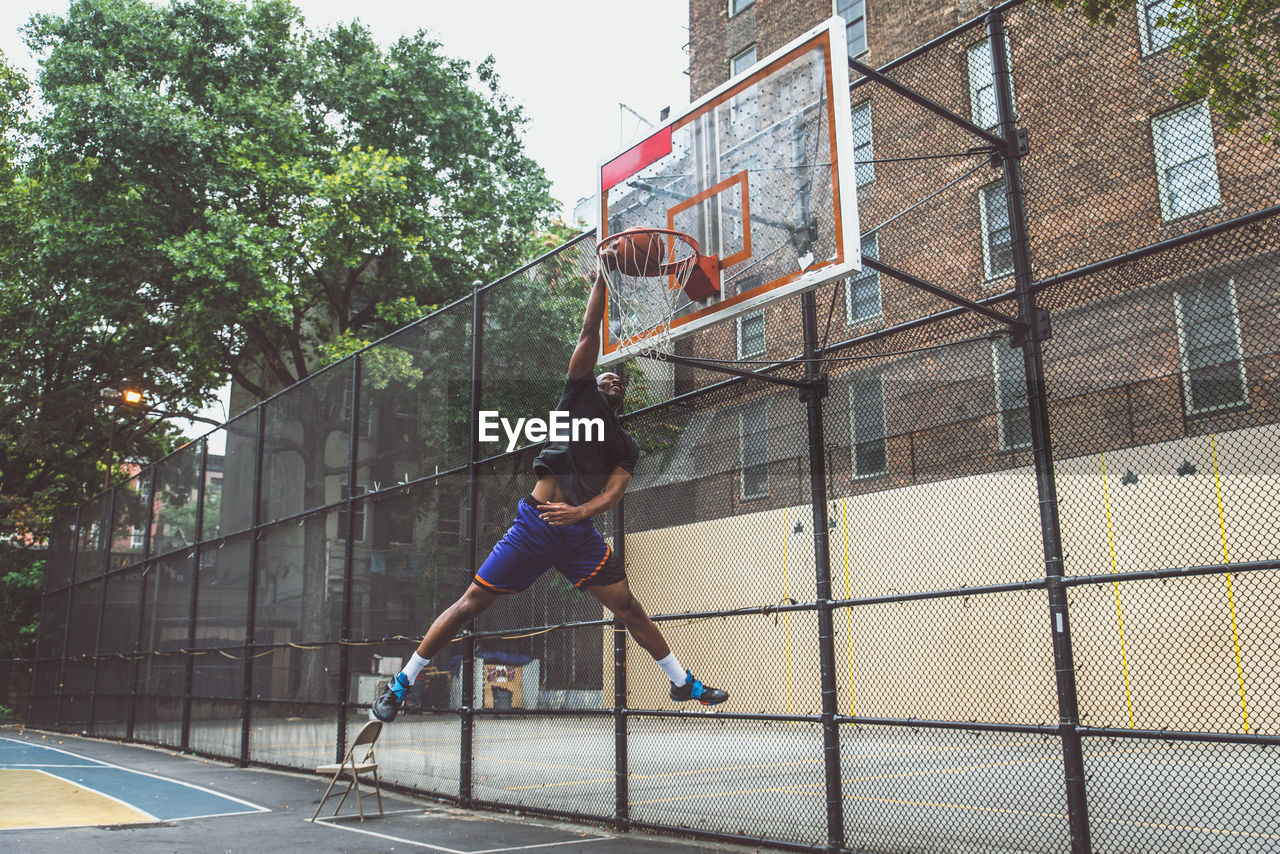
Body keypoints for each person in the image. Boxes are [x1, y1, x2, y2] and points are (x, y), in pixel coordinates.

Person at [372, 257, 728, 722]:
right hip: (535, 525)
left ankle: (682, 683)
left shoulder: (625, 444)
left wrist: (582, 515)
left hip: (579, 534)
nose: (612, 376)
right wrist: (604, 275)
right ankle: (401, 685)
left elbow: (616, 493)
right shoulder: (576, 397)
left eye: (619, 377)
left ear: (624, 395)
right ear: (592, 383)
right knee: (468, 605)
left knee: (630, 609)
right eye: (605, 374)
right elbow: (588, 331)